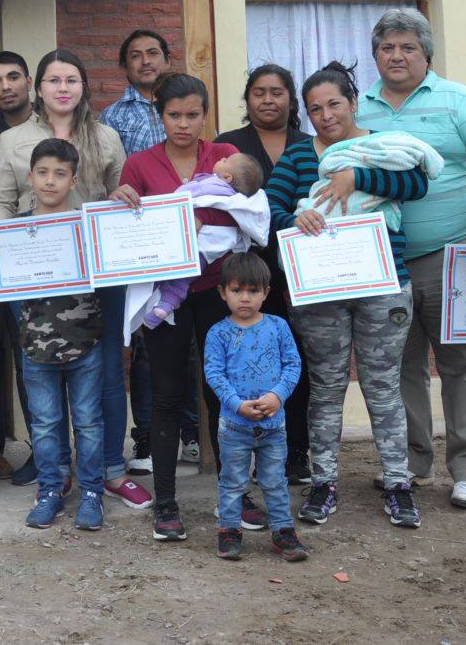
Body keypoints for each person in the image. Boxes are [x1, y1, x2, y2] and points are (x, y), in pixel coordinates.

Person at [356, 7, 466, 511]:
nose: (396, 56)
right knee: (400, 366)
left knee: (465, 365)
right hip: (385, 261)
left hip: (454, 257)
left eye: (408, 47)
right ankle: (411, 463)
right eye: (387, 48)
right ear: (375, 55)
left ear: (426, 54)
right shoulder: (359, 106)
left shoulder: (457, 98)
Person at [266, 61, 431, 530]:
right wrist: (292, 219)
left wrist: (359, 179)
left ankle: (398, 482)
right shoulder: (299, 156)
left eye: (334, 104)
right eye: (315, 109)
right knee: (326, 386)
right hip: (320, 289)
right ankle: (324, 481)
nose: (326, 115)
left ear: (354, 102)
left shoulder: (380, 145)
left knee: (384, 386)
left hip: (383, 283)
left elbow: (416, 183)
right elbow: (270, 206)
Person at [0, 49, 152, 513]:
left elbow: (122, 195)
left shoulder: (106, 137)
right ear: (38, 88)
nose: (63, 88)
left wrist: (125, 194)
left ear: (83, 87)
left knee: (106, 373)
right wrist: (6, 254)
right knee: (43, 370)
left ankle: (111, 471)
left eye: (72, 80)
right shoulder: (12, 140)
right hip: (34, 276)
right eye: (54, 80)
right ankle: (56, 472)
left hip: (98, 274)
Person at [115, 72, 249, 539]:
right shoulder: (139, 164)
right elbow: (128, 227)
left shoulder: (225, 156)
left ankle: (236, 493)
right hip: (165, 297)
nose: (184, 124)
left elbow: (251, 212)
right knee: (167, 394)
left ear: (205, 114)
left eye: (193, 114)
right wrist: (120, 201)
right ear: (160, 116)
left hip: (219, 290)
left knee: (222, 391)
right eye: (174, 115)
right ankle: (167, 501)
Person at [0, 139, 106, 531]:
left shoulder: (88, 226)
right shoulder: (12, 231)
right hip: (35, 344)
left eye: (60, 174)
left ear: (74, 180)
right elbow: (1, 276)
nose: (51, 181)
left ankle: (92, 493)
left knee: (88, 423)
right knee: (45, 425)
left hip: (86, 342)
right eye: (43, 173)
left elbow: (113, 266)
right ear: (30, 177)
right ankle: (50, 490)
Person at [217, 63, 314, 482]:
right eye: (259, 92)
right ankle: (245, 453)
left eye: (277, 92)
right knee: (246, 362)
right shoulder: (227, 146)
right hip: (246, 276)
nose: (268, 100)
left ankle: (296, 452)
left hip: (303, 272)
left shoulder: (310, 145)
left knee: (296, 362)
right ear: (247, 98)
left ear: (291, 99)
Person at [203, 253, 307, 562]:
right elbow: (214, 374)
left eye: (253, 290)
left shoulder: (278, 327)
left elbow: (293, 365)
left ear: (266, 292)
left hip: (273, 424)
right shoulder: (218, 333)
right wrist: (237, 405)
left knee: (275, 480)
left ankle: (283, 531)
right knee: (233, 481)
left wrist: (277, 396)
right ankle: (229, 531)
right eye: (237, 290)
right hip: (234, 426)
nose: (245, 298)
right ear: (223, 292)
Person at [98, 30, 169, 480]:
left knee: (184, 340)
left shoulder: (183, 101)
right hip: (135, 240)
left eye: (153, 53)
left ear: (167, 59)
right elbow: (112, 182)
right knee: (143, 338)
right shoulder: (110, 117)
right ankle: (145, 436)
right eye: (136, 56)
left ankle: (186, 431)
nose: (146, 61)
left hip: (181, 234)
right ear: (124, 66)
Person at [0, 50, 43, 487]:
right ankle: (41, 449)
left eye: (13, 77)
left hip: (61, 259)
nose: (6, 86)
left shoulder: (54, 126)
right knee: (24, 359)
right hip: (6, 261)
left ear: (29, 83)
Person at [138, 152, 266, 328]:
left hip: (199, 241)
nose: (222, 158)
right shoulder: (236, 197)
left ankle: (162, 302)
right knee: (183, 279)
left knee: (168, 273)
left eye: (226, 160)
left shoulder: (212, 185)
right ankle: (166, 304)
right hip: (212, 249)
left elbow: (184, 194)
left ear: (227, 177)